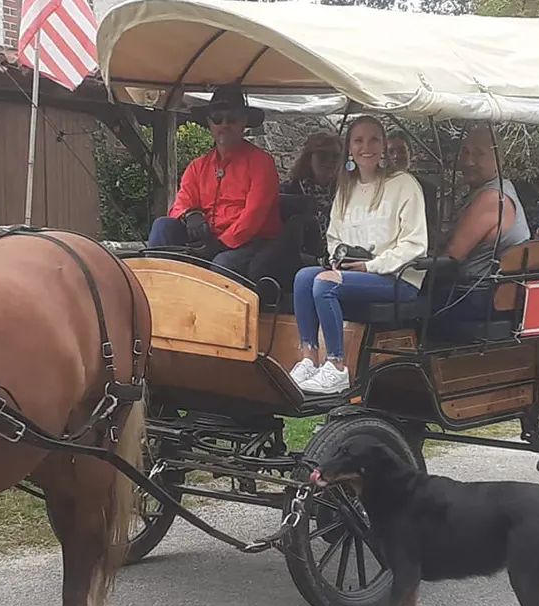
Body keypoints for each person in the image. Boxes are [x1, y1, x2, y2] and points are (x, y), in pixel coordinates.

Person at [288, 116, 429, 395]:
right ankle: (309, 359)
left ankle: (337, 367)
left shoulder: (404, 184)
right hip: (355, 272)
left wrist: (370, 266)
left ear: (384, 146)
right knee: (304, 278)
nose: (367, 147)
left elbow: (415, 244)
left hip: (397, 277)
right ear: (350, 148)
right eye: (359, 140)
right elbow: (334, 236)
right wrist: (338, 258)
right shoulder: (347, 187)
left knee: (324, 283)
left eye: (374, 139)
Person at [148, 86, 282, 278]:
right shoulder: (198, 166)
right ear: (210, 123)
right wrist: (191, 215)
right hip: (207, 239)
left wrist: (221, 244)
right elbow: (181, 203)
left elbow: (254, 216)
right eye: (218, 119)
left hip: (252, 242)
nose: (224, 125)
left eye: (232, 119)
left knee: (222, 264)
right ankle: (156, 287)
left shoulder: (262, 163)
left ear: (243, 122)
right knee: (163, 226)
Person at [433, 124, 532, 326]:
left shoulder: (491, 197)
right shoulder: (495, 189)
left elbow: (452, 257)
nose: (468, 161)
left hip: (473, 298)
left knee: (399, 301)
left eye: (478, 154)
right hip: (478, 294)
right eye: (465, 152)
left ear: (498, 160)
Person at [280, 131, 342, 265]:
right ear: (309, 158)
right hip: (298, 258)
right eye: (323, 155)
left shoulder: (346, 191)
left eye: (335, 156)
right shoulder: (289, 190)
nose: (330, 160)